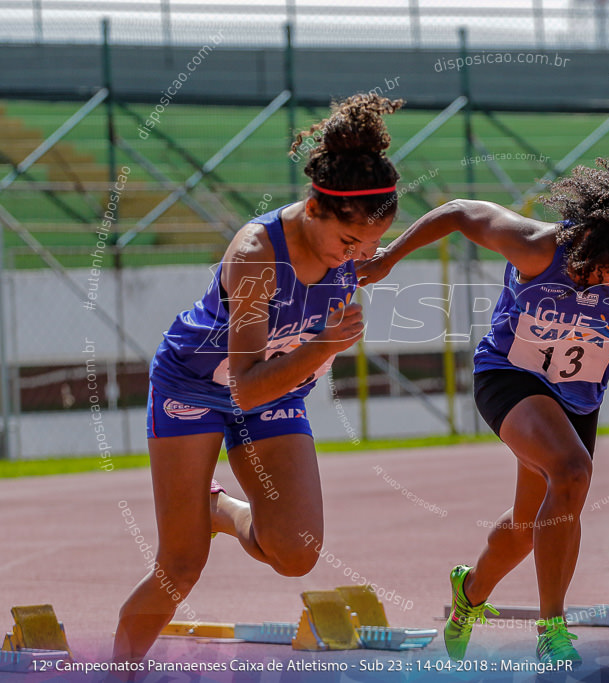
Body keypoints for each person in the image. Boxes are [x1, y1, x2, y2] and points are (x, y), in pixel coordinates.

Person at [358, 159, 609, 665]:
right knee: (572, 471)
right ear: (591, 240)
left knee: (527, 526)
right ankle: (553, 629)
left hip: (576, 398)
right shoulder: (539, 246)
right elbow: (456, 212)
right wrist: (389, 257)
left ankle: (468, 593)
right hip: (508, 377)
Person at [112, 93, 402, 662]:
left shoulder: (352, 243)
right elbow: (243, 385)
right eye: (350, 244)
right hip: (197, 386)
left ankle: (223, 511)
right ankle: (116, 672)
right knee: (179, 567)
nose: (359, 258)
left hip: (279, 391)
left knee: (296, 553)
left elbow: (461, 215)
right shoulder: (256, 253)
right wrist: (324, 343)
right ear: (316, 209)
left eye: (373, 244)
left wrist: (399, 247)